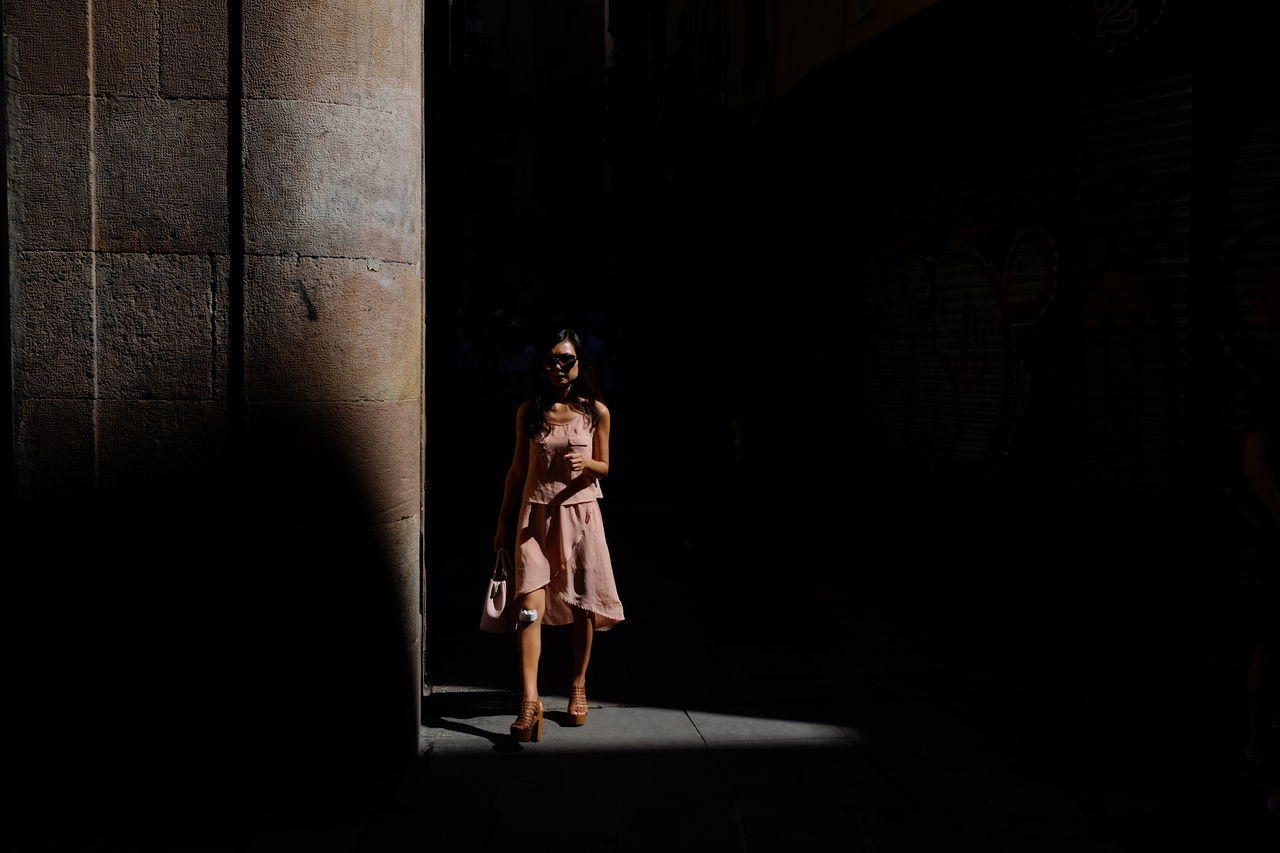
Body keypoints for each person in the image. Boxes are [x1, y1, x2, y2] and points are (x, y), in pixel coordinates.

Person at [492, 328, 625, 743]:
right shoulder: (529, 412)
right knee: (528, 608)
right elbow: (516, 472)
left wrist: (588, 461)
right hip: (535, 518)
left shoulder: (596, 412)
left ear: (580, 363)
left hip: (582, 517)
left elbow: (606, 467)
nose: (558, 368)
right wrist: (502, 523)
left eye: (566, 360)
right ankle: (530, 701)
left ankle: (578, 684)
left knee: (584, 605)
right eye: (551, 360)